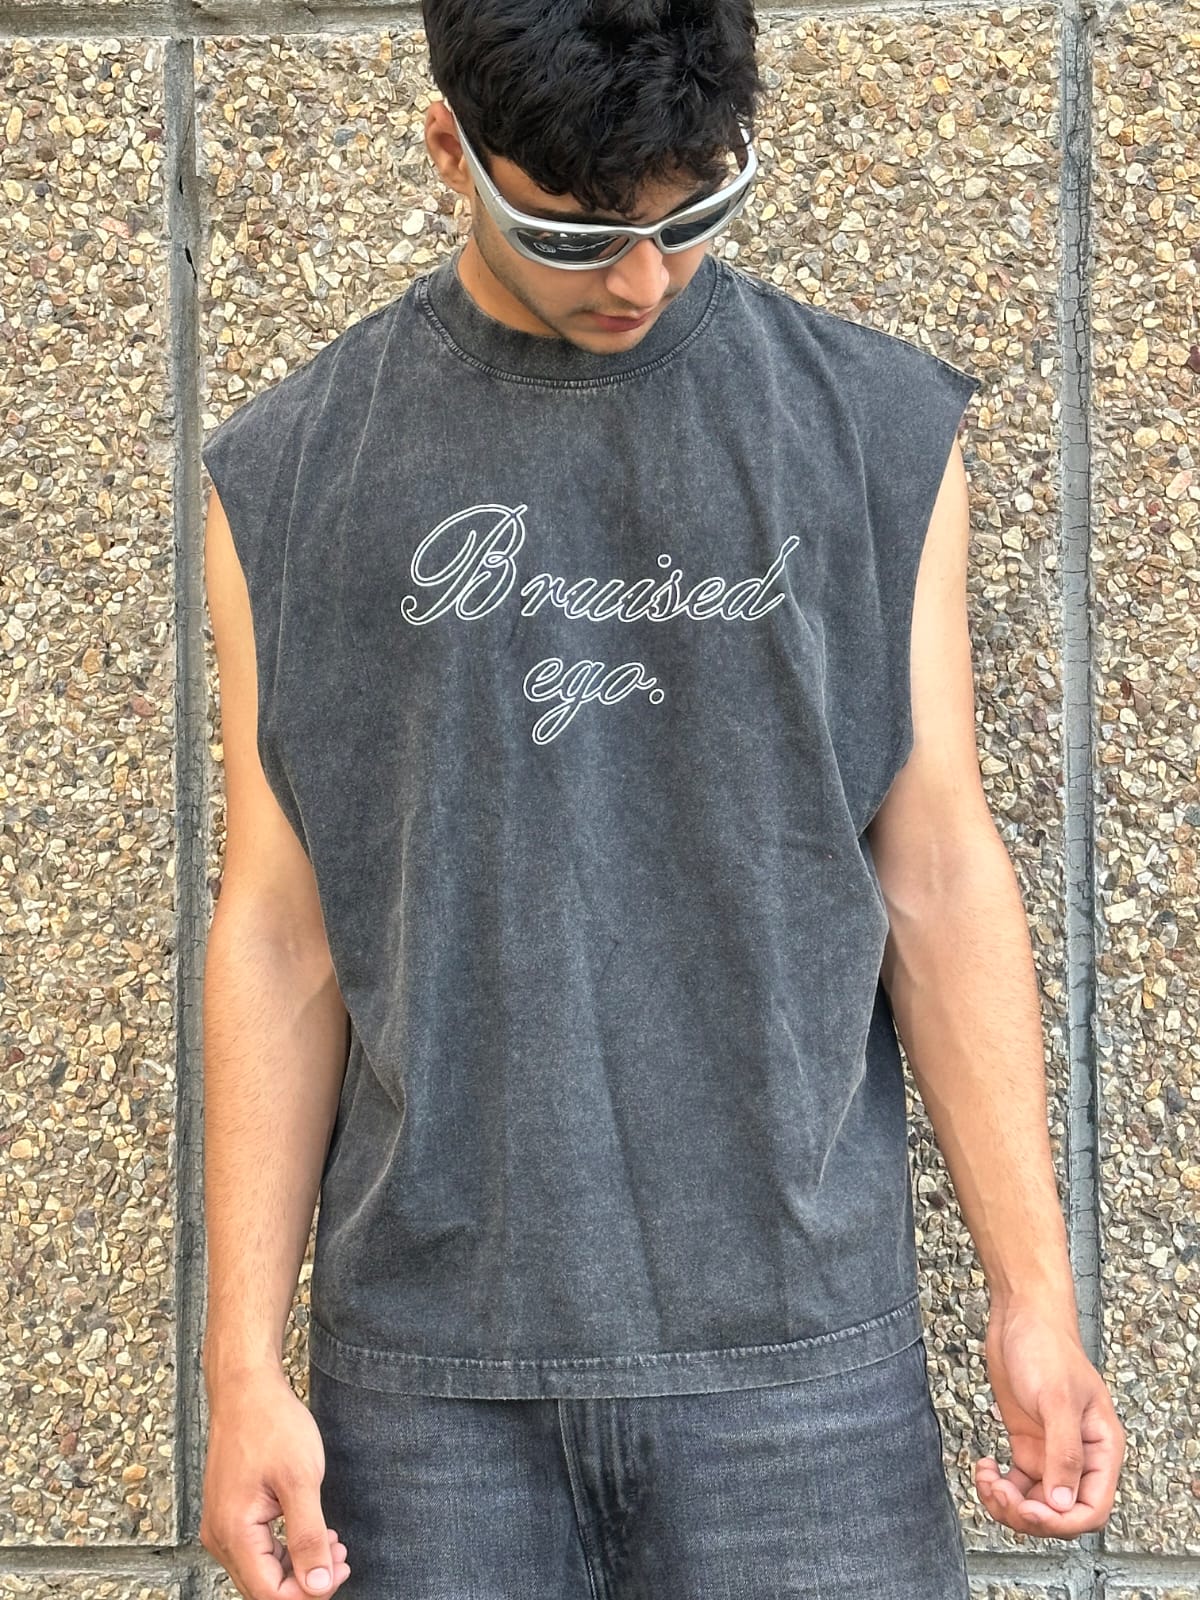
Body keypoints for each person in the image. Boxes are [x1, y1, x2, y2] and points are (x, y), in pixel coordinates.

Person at [197, 1, 1126, 1596]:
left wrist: (1034, 1292)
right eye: (576, 233)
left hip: (806, 1373)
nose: (641, 279)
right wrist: (240, 1370)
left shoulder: (874, 431)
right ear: (450, 151)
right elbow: (282, 934)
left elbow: (935, 869)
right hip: (429, 1396)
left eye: (693, 214)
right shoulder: (290, 474)